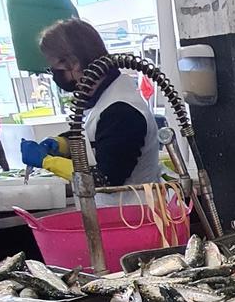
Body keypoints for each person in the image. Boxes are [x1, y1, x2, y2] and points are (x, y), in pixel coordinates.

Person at [19, 19, 160, 188]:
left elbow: (105, 178)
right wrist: (63, 144)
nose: (54, 75)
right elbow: (99, 141)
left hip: (132, 211)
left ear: (74, 63)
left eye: (53, 68)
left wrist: (48, 162)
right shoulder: (103, 101)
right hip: (110, 210)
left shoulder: (121, 110)